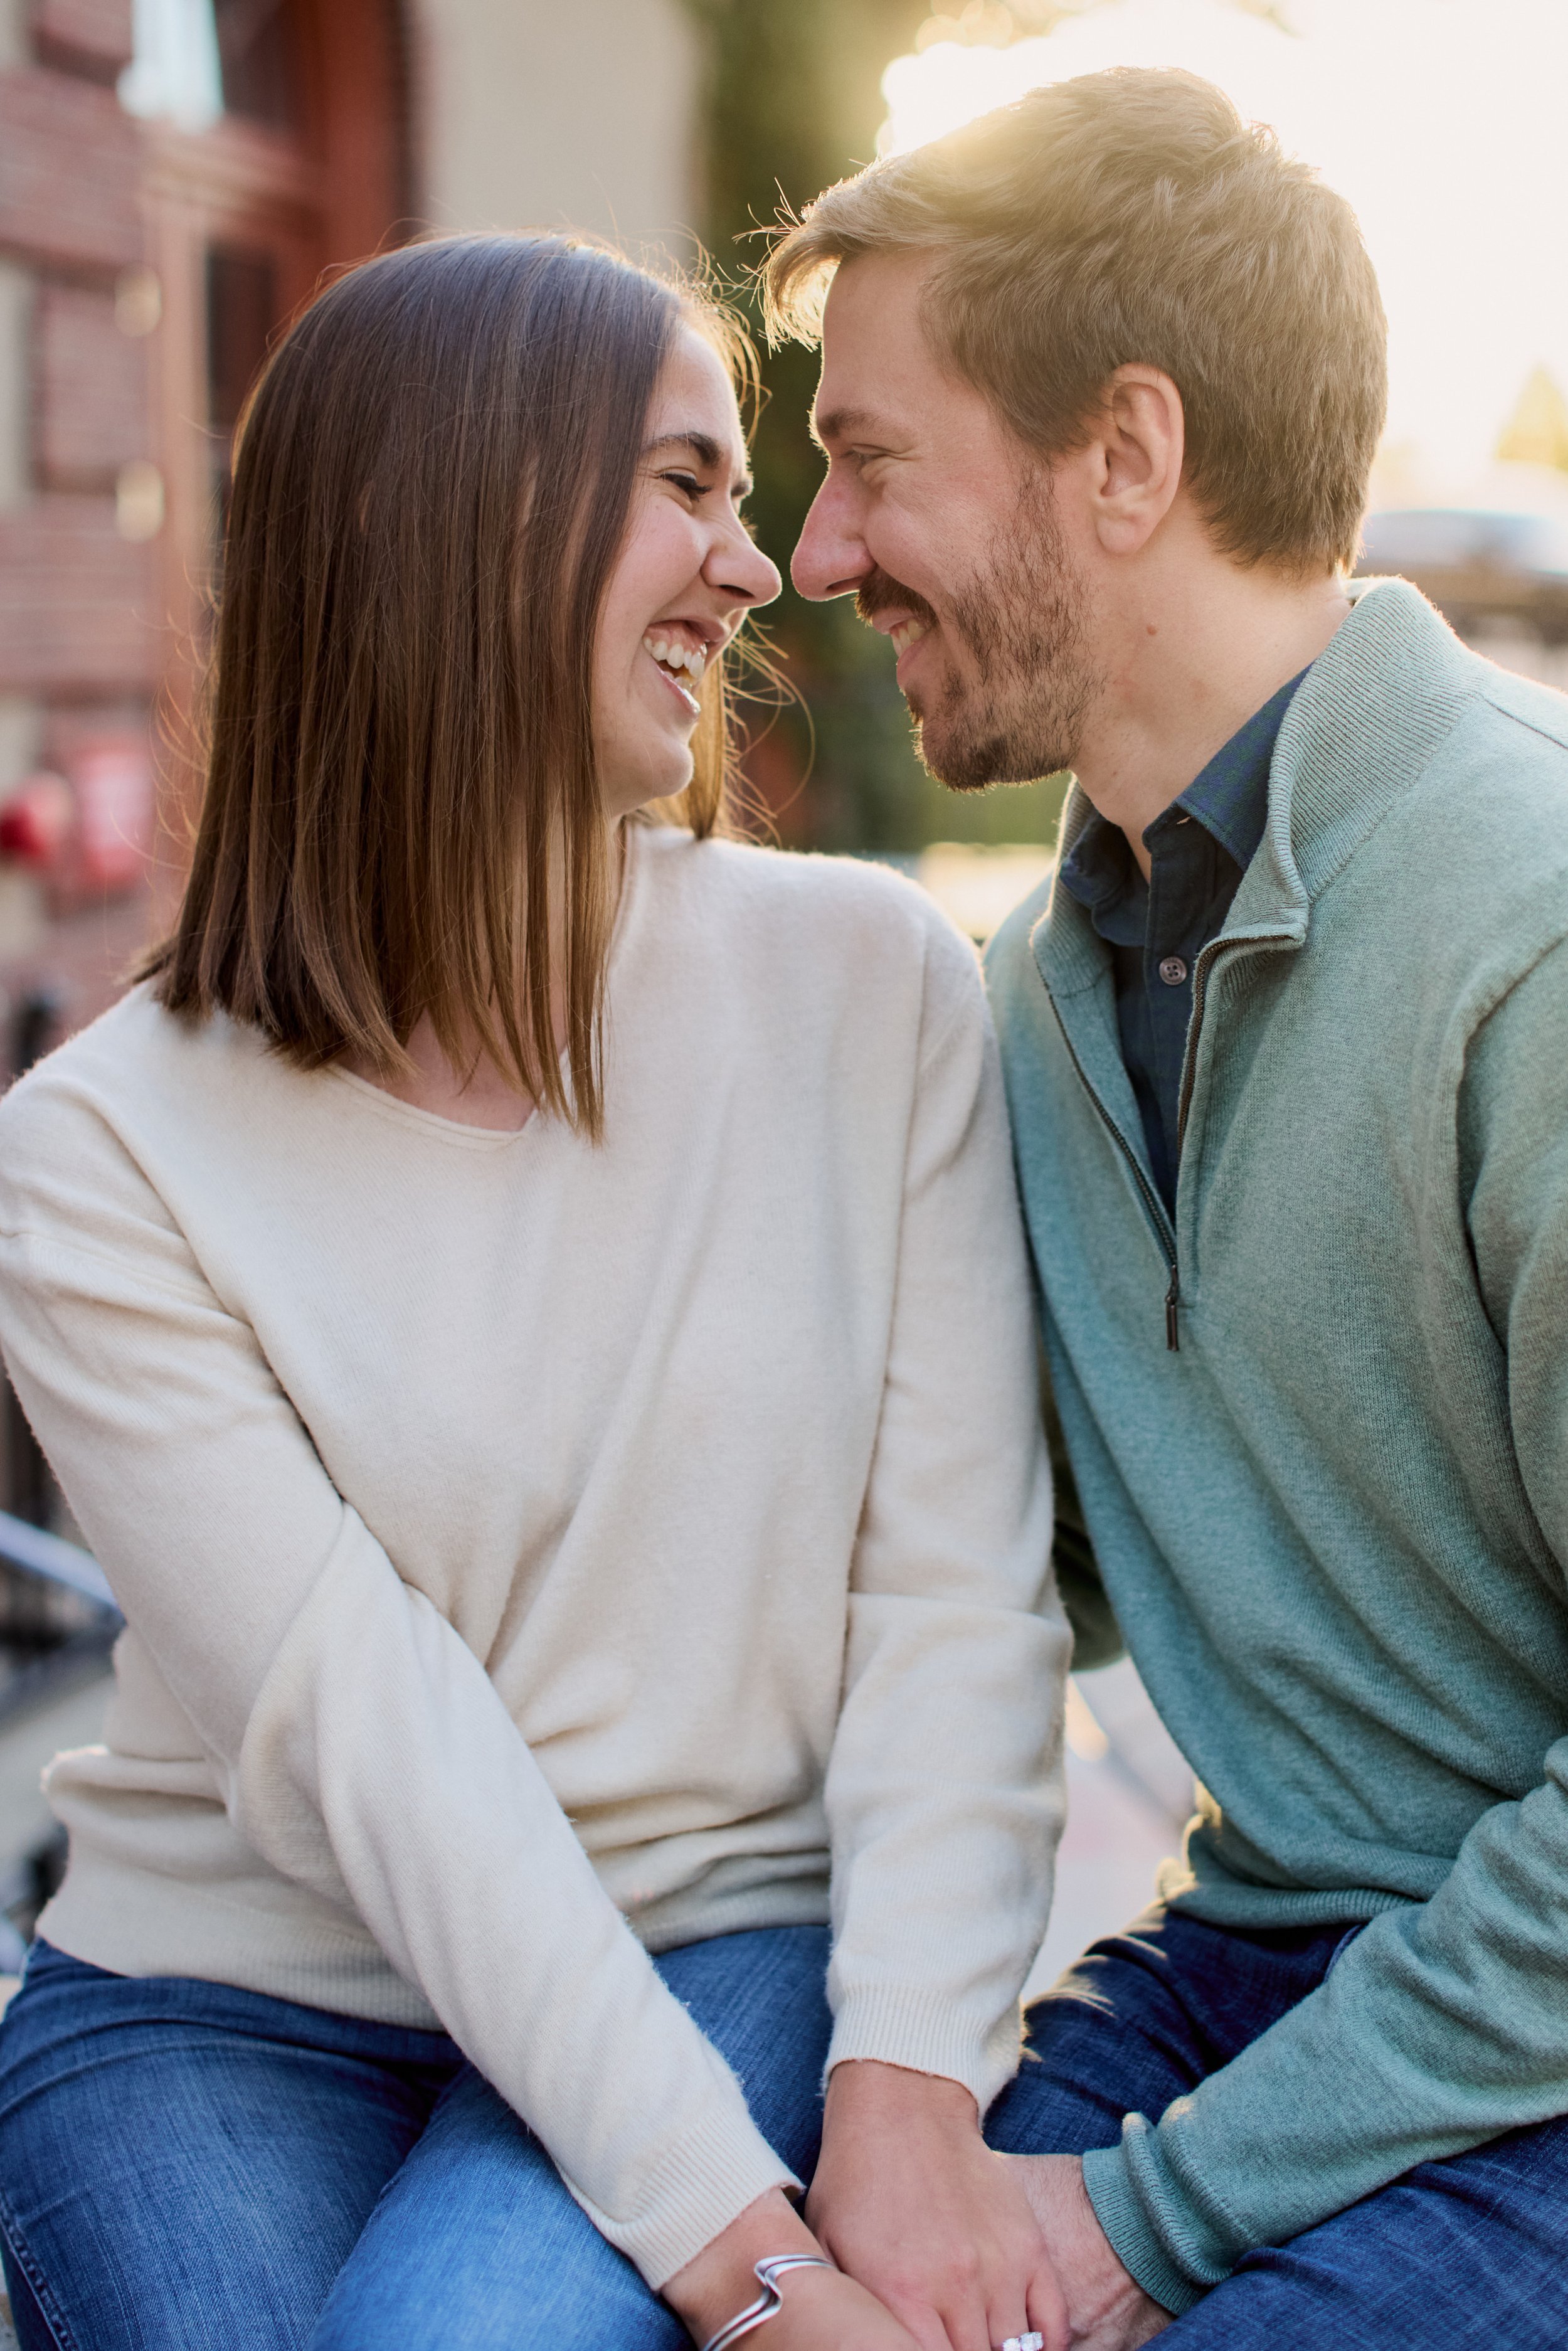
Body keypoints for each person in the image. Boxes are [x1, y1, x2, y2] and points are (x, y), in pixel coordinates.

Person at [0, 234, 1073, 2351]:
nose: (756, 569)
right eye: (688, 485)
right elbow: (368, 1741)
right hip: (225, 2010)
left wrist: (905, 2085)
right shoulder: (101, 1149)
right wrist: (755, 2274)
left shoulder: (866, 989)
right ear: (466, 514)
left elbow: (956, 1596)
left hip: (725, 1933)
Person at [771, 61, 1568, 2351]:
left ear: (1121, 457)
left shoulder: (1526, 934)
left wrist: (1156, 2216)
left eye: (869, 458)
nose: (819, 557)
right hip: (1250, 1953)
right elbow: (1025, 1565)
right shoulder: (1040, 978)